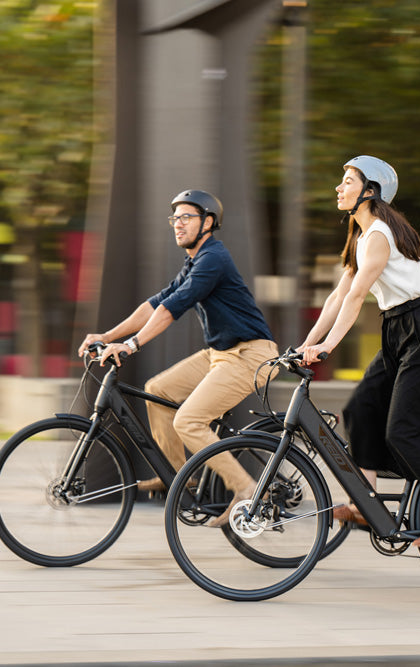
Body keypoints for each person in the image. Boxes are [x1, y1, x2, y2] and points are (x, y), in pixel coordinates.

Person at [77, 189, 278, 527]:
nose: (178, 224)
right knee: (158, 390)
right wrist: (107, 336)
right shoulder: (196, 260)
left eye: (187, 217)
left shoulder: (214, 258)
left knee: (189, 421)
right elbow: (155, 304)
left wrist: (131, 345)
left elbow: (173, 309)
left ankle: (246, 490)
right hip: (221, 354)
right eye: (175, 218)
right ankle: (176, 475)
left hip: (251, 356)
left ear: (208, 222)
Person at [297, 156, 420, 548]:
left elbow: (358, 297)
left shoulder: (377, 234)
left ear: (369, 191)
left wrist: (328, 347)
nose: (338, 188)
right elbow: (339, 294)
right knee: (361, 409)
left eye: (347, 181)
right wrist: (308, 343)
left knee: (404, 429)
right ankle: (365, 502)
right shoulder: (360, 236)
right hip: (398, 330)